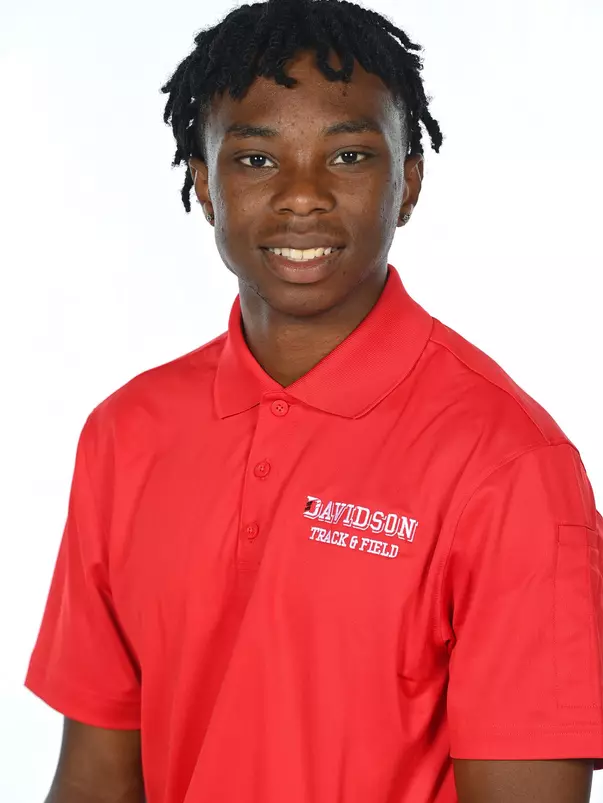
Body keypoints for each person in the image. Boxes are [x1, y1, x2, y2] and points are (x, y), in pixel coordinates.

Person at [26, 0, 603, 801]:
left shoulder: (508, 464)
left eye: (349, 157)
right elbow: (93, 779)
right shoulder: (128, 434)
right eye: (256, 160)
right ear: (202, 184)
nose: (302, 197)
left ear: (408, 183)